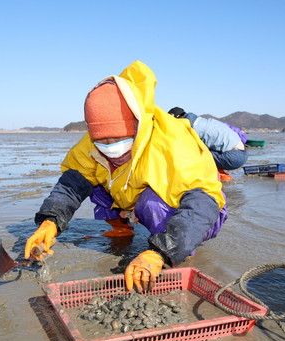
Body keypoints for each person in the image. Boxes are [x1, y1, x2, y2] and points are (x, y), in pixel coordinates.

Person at [23, 61, 227, 293]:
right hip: (130, 192)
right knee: (95, 186)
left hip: (203, 212)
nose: (111, 148)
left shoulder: (173, 142)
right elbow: (71, 184)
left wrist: (160, 252)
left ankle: (177, 252)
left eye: (120, 139)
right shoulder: (90, 145)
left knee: (152, 203)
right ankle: (122, 229)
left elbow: (202, 203)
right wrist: (50, 220)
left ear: (137, 124)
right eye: (102, 141)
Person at [168, 107, 248, 180]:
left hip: (235, 157)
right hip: (240, 152)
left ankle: (219, 176)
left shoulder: (192, 127)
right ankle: (220, 174)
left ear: (178, 119)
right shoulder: (200, 121)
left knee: (195, 154)